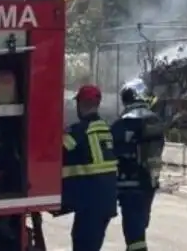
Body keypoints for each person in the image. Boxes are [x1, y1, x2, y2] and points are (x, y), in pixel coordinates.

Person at [62, 84, 119, 251]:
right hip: (106, 201)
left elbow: (55, 153)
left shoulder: (79, 131)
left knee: (82, 244)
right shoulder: (106, 129)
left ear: (81, 104)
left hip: (90, 204)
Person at [112, 80, 167, 251]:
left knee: (134, 234)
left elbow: (113, 152)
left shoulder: (121, 123)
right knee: (139, 227)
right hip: (148, 182)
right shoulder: (154, 121)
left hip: (127, 184)